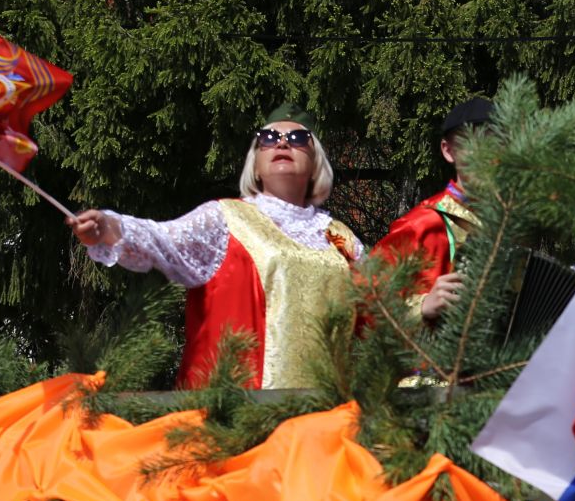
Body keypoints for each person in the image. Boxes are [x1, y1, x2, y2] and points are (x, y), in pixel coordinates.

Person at [69, 106, 364, 389]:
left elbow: (381, 315)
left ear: (315, 164)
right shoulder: (224, 219)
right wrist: (108, 227)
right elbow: (161, 239)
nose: (283, 144)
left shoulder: (343, 240)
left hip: (326, 418)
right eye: (269, 138)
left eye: (298, 139)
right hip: (235, 416)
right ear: (256, 166)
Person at [373, 97, 490, 325]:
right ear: (448, 151)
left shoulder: (515, 226)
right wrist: (422, 306)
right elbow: (365, 301)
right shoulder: (422, 224)